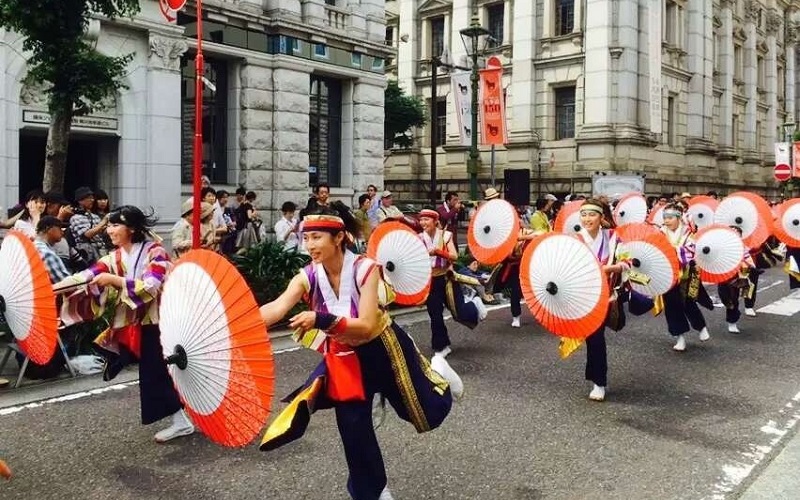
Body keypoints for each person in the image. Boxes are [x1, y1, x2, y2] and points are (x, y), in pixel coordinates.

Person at [258, 205, 463, 500]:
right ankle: (374, 492)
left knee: (425, 415)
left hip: (384, 349)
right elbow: (277, 307)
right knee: (352, 428)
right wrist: (239, 323)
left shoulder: (366, 269)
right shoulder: (308, 275)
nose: (310, 245)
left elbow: (366, 326)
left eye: (317, 237)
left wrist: (322, 320)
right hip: (344, 358)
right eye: (306, 238)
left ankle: (440, 373)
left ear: (338, 237)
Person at [54, 205, 195, 442]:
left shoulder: (155, 251)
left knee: (154, 372)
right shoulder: (115, 257)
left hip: (162, 320)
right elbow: (87, 275)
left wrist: (114, 280)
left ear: (131, 228)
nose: (109, 230)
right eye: (108, 225)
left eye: (114, 224)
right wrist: (54, 289)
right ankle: (123, 358)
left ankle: (181, 422)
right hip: (139, 322)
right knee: (151, 369)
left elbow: (151, 285)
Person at [576, 199, 631, 401]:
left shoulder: (613, 238)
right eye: (584, 215)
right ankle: (597, 379)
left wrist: (614, 267)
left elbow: (627, 261)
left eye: (592, 215)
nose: (587, 219)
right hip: (585, 296)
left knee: (597, 337)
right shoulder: (575, 240)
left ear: (601, 218)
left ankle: (598, 380)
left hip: (606, 295)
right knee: (593, 339)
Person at [418, 209, 485, 358]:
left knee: (459, 312)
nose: (423, 223)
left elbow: (454, 256)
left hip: (447, 278)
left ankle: (474, 303)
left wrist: (438, 252)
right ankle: (441, 346)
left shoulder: (445, 236)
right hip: (430, 281)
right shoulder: (418, 239)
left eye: (426, 219)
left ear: (435, 221)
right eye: (421, 220)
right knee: (435, 315)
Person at [659, 203, 711, 352]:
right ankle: (680, 337)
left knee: (689, 302)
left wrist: (672, 250)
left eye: (670, 218)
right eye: (665, 218)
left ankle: (701, 327)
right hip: (667, 275)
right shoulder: (660, 233)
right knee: (672, 307)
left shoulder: (688, 233)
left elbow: (690, 251)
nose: (667, 221)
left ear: (679, 218)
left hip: (686, 274)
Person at [717, 226, 756, 334]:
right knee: (724, 296)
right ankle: (732, 309)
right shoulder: (719, 246)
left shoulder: (742, 248)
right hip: (722, 275)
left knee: (733, 298)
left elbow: (748, 260)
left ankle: (732, 321)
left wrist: (753, 268)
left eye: (737, 234)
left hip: (735, 276)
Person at [69, 187, 108, 264]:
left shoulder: (95, 216)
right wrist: (104, 221)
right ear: (80, 201)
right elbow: (87, 234)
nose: (92, 200)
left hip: (102, 251)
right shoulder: (76, 218)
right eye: (89, 198)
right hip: (88, 254)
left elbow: (102, 234)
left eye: (92, 198)